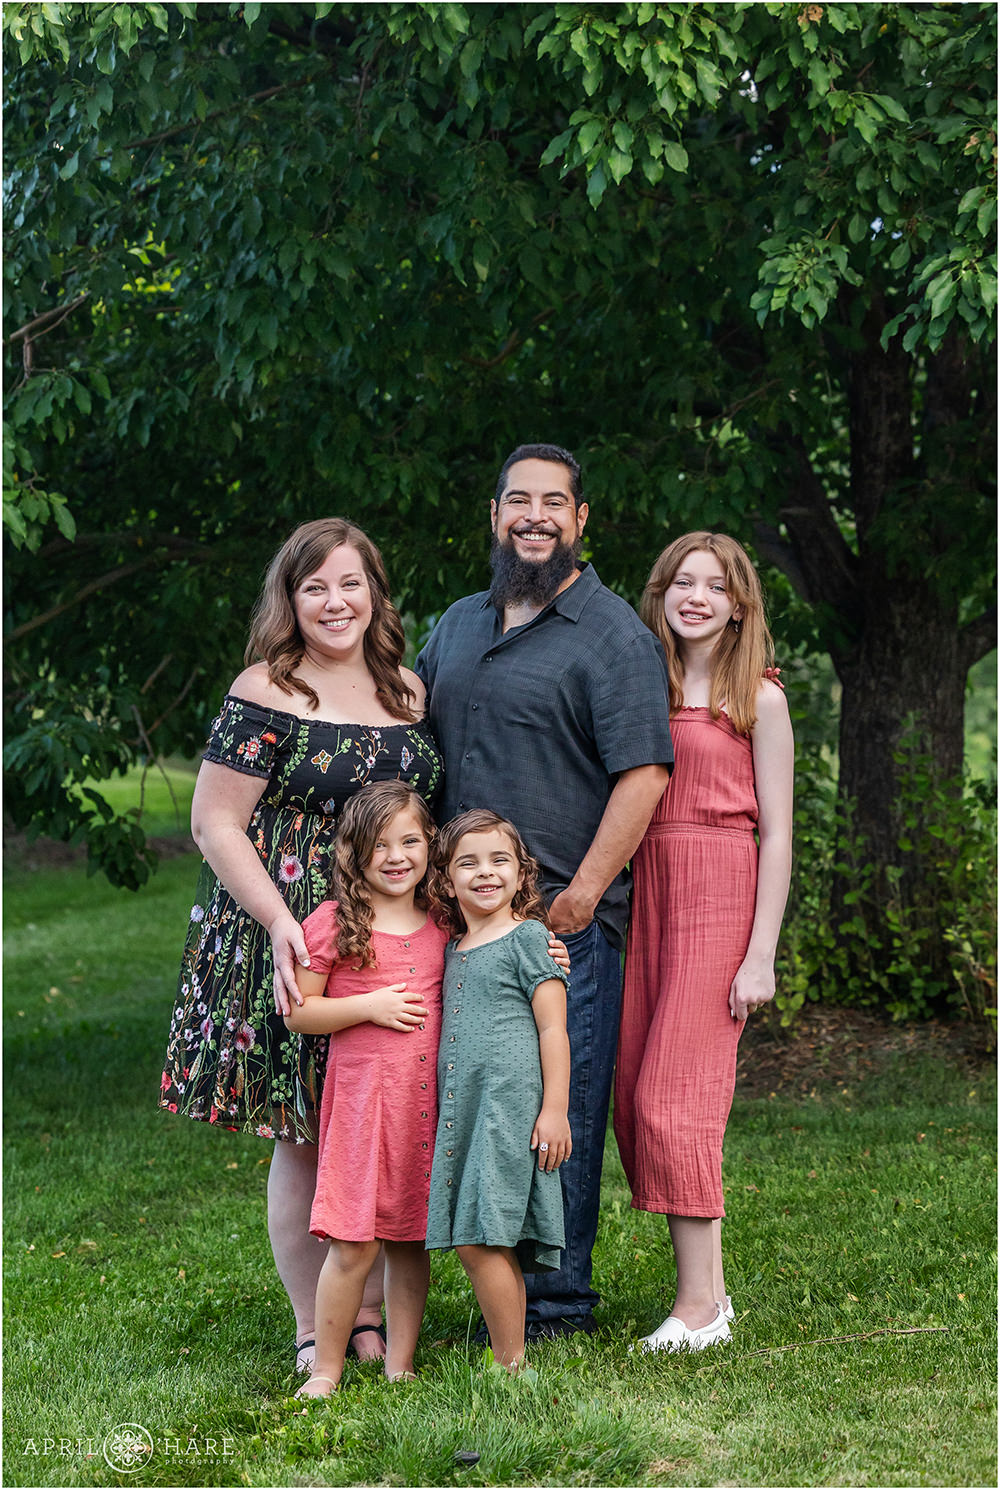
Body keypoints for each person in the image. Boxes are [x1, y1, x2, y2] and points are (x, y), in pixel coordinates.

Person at [160, 518, 443, 1374]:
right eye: (313, 586)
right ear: (290, 599)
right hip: (286, 932)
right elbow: (214, 821)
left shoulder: (408, 690)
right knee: (305, 1127)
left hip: (386, 934)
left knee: (370, 1123)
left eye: (350, 583)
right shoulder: (267, 687)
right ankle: (311, 1324)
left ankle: (364, 1315)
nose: (334, 602)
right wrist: (282, 918)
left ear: (374, 595)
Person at [416, 443, 674, 1339]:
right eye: (518, 500)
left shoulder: (612, 637)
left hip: (559, 926)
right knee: (481, 1103)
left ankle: (557, 1304)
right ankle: (497, 1293)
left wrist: (581, 896)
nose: (535, 516)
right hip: (462, 926)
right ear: (495, 518)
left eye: (554, 502)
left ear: (580, 521)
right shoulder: (455, 624)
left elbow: (643, 775)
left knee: (557, 1110)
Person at [613, 532, 794, 1353]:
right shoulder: (639, 686)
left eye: (713, 586)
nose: (695, 596)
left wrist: (762, 952)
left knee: (673, 1099)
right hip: (645, 887)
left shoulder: (760, 697)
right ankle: (712, 1302)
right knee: (632, 1095)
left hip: (719, 892)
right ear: (661, 594)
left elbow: (780, 835)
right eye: (681, 581)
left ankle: (696, 1307)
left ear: (738, 604)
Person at [283, 781, 448, 1397]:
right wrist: (370, 1006)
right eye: (379, 845)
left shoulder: (442, 917)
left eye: (410, 840)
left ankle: (399, 1361)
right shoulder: (333, 923)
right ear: (352, 854)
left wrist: (548, 954)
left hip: (424, 1110)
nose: (397, 856)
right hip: (362, 1109)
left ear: (430, 845)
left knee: (410, 1239)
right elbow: (300, 1013)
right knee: (353, 1244)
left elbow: (498, 943)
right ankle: (326, 1369)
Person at [425, 810, 571, 1370]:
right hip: (466, 1112)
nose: (485, 873)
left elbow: (553, 1027)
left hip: (509, 1111)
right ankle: (508, 1354)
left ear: (520, 872)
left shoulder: (529, 938)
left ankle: (511, 1363)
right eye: (468, 862)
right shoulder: (453, 948)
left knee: (481, 1237)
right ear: (446, 877)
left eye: (499, 860)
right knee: (483, 1234)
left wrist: (555, 1109)